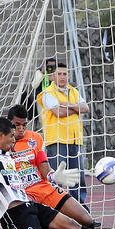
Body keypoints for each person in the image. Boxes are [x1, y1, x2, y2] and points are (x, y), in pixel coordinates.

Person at [36, 63, 90, 210]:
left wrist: (67, 104)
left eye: (65, 74)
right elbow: (57, 113)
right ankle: (55, 209)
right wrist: (75, 108)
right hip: (57, 141)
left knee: (78, 177)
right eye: (59, 74)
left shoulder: (73, 91)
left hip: (75, 140)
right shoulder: (48, 93)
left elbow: (86, 108)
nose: (62, 77)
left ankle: (81, 210)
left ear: (68, 75)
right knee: (56, 177)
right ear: (53, 76)